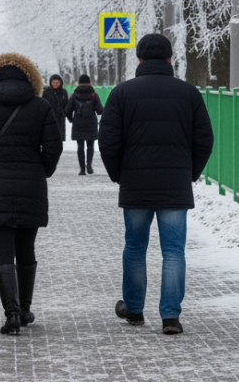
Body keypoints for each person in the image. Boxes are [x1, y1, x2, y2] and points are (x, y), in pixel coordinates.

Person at [98, 33, 213, 336]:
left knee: (135, 247)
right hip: (175, 184)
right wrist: (189, 173)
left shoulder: (122, 93)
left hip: (135, 184)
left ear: (138, 59)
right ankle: (170, 317)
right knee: (173, 251)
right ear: (170, 59)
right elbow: (204, 140)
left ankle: (134, 309)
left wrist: (118, 174)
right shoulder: (189, 94)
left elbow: (108, 140)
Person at [0, 53, 63, 336]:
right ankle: (26, 308)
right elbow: (53, 147)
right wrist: (41, 170)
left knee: (2, 250)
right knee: (26, 248)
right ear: (31, 78)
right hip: (31, 185)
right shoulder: (41, 106)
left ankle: (12, 314)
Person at [64, 73, 103, 175]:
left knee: (80, 146)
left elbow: (67, 110)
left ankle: (82, 169)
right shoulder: (94, 95)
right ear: (89, 83)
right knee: (90, 145)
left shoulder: (74, 95)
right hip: (91, 122)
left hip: (78, 122)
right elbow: (100, 110)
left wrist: (71, 119)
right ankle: (89, 165)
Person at [42, 74, 69, 141]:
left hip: (60, 118)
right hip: (48, 117)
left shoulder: (63, 92)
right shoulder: (46, 92)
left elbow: (66, 104)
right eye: (54, 82)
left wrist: (64, 113)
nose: (55, 84)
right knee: (49, 137)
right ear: (51, 82)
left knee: (59, 137)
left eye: (57, 83)